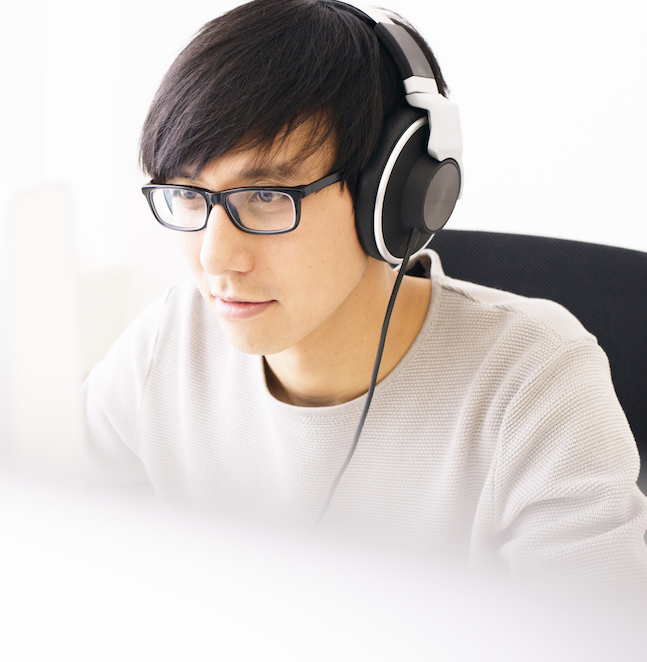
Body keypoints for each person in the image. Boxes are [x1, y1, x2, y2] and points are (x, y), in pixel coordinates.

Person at [82, 0, 647, 590]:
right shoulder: (170, 342)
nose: (216, 258)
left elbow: (598, 637)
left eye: (269, 197)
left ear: (394, 193)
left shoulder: (534, 384)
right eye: (189, 196)